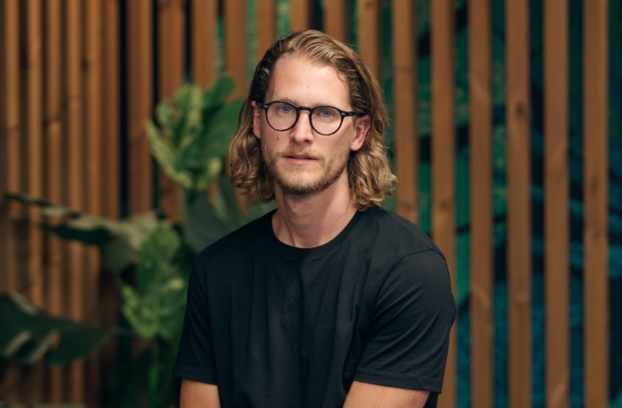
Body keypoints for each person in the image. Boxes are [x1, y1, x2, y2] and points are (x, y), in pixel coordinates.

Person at [173, 30, 456, 408]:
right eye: (284, 109)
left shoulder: (410, 272)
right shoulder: (217, 270)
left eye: (325, 114)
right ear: (258, 121)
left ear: (358, 132)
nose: (301, 133)